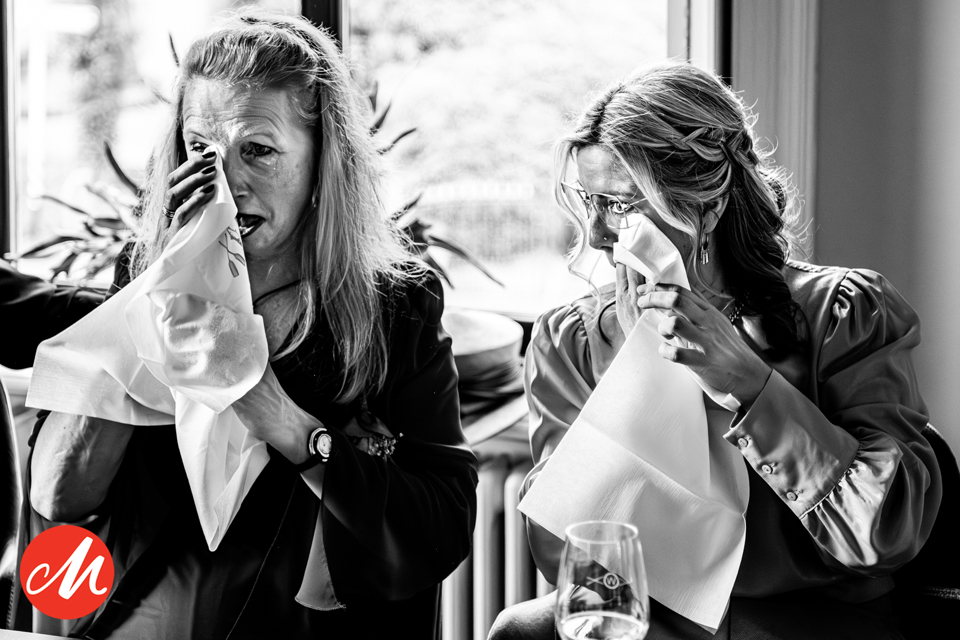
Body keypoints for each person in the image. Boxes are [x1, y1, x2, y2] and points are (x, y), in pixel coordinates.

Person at [11, 9, 477, 639]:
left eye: (257, 151)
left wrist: (283, 419)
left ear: (324, 161)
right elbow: (59, 497)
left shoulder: (394, 304)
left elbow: (441, 528)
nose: (227, 183)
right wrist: (153, 296)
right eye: (202, 150)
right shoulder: (145, 272)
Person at [490, 63, 941, 640]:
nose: (598, 235)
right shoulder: (574, 340)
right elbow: (567, 552)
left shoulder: (842, 313)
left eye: (621, 205)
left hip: (813, 617)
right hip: (650, 618)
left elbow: (886, 533)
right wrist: (633, 391)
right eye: (588, 200)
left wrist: (752, 385)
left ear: (708, 205)